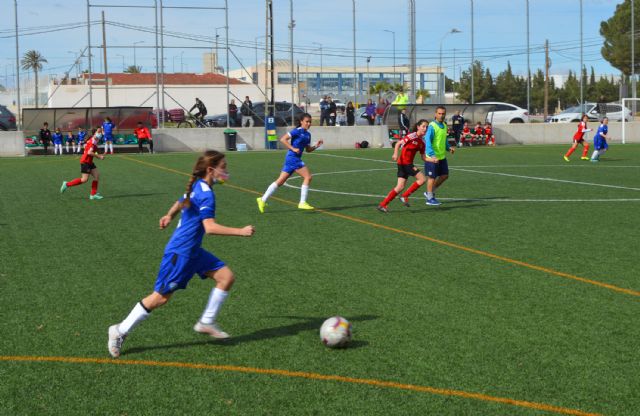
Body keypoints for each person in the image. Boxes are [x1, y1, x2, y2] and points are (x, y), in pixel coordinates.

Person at [107, 150, 255, 358]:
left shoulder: (197, 186)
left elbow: (181, 201)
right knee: (159, 298)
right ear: (211, 170)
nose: (226, 171)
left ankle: (206, 321)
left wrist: (169, 215)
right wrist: (241, 231)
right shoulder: (206, 194)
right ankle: (119, 331)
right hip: (181, 253)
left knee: (226, 277)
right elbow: (210, 227)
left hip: (193, 251)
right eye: (223, 167)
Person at [256, 113, 324, 212]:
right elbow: (283, 139)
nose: (309, 124)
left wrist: (316, 146)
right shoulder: (296, 131)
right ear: (301, 122)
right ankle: (302, 202)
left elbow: (308, 150)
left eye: (310, 122)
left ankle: (262, 200)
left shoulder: (308, 134)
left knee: (280, 181)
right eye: (307, 122)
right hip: (293, 158)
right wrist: (293, 148)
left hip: (292, 159)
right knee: (308, 177)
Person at [377, 119, 437, 213]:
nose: (425, 129)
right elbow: (398, 143)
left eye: (427, 127)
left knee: (400, 186)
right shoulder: (412, 136)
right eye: (423, 126)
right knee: (422, 179)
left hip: (404, 164)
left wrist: (432, 160)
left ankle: (383, 204)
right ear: (418, 127)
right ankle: (405, 196)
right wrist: (395, 154)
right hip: (405, 163)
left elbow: (423, 157)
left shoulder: (422, 142)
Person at [60, 127, 106, 200]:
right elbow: (89, 152)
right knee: (84, 179)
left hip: (90, 162)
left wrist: (98, 152)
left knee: (96, 175)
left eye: (101, 132)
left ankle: (93, 195)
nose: (100, 134)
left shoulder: (95, 140)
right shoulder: (92, 141)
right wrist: (99, 156)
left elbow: (92, 147)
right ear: (95, 134)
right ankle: (66, 184)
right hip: (85, 162)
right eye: (99, 132)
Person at [423, 106, 455, 206]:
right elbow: (427, 141)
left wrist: (449, 148)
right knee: (432, 177)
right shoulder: (432, 126)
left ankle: (430, 192)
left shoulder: (444, 126)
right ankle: (429, 198)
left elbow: (443, 140)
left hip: (441, 157)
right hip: (432, 157)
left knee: (445, 175)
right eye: (439, 113)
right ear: (435, 114)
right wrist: (432, 155)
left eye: (443, 114)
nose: (441, 116)